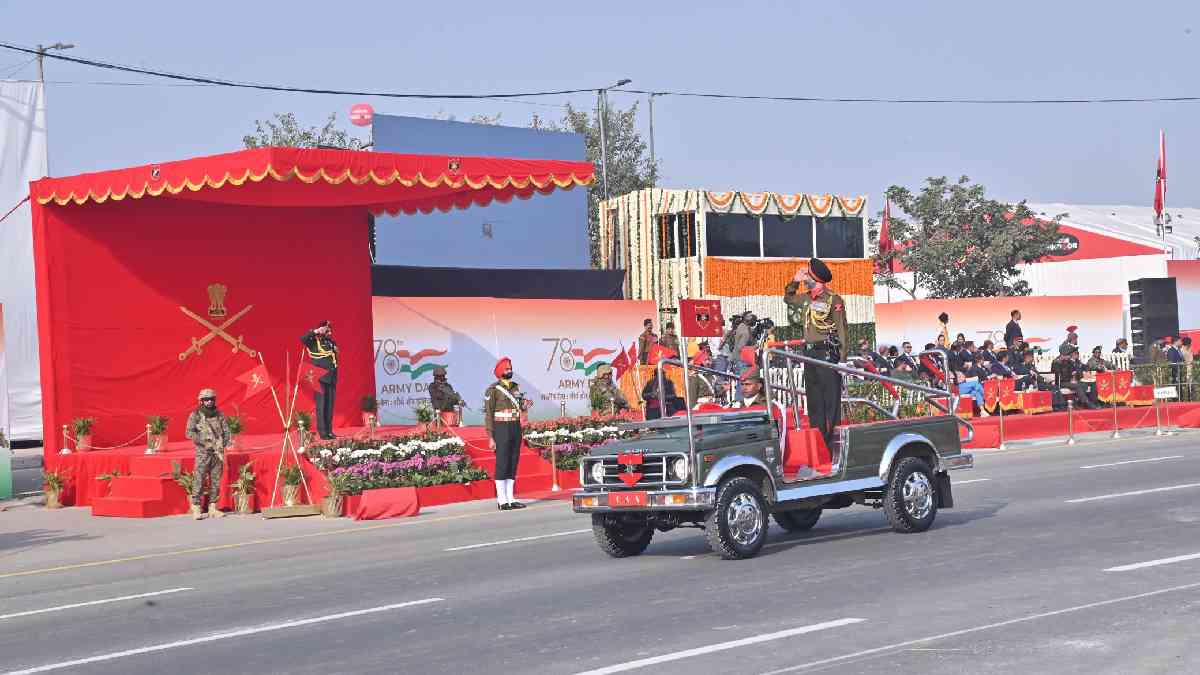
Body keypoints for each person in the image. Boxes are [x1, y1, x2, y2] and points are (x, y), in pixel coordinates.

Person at [784, 258, 849, 449]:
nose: (805, 278)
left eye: (807, 275)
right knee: (814, 404)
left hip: (827, 352)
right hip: (809, 354)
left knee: (831, 403)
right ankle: (819, 447)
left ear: (816, 278)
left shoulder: (832, 299)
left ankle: (835, 447)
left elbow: (842, 329)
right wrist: (794, 281)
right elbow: (788, 298)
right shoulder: (805, 297)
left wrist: (843, 359)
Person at [484, 358, 531, 511]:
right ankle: (502, 500)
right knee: (502, 462)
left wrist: (525, 406)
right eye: (506, 369)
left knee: (513, 461)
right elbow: (489, 415)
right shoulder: (493, 390)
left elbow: (520, 407)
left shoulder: (515, 387)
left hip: (515, 427)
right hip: (501, 428)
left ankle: (511, 498)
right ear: (499, 372)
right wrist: (490, 436)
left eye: (510, 368)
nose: (509, 371)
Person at [185, 388, 231, 520]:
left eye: (211, 399)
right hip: (203, 453)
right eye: (206, 399)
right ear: (201, 401)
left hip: (217, 452)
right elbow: (189, 432)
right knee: (199, 479)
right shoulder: (196, 415)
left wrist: (224, 443)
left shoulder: (219, 414)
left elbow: (226, 430)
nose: (209, 401)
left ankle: (213, 507)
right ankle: (196, 507)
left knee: (216, 480)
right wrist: (204, 442)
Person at [301, 321, 339, 440]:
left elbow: (334, 356)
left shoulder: (330, 342)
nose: (330, 332)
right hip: (320, 377)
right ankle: (323, 432)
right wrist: (316, 331)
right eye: (327, 330)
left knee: (329, 405)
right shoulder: (313, 341)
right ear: (321, 329)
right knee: (321, 405)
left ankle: (329, 430)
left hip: (331, 376)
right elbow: (303, 339)